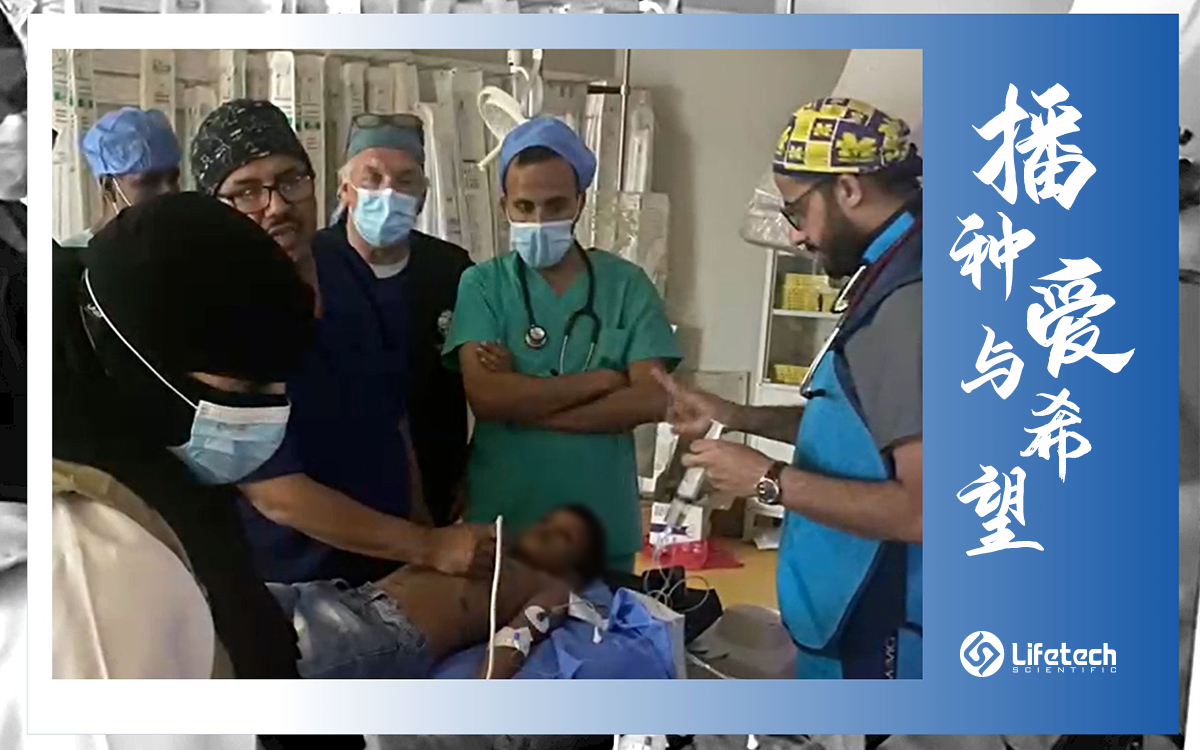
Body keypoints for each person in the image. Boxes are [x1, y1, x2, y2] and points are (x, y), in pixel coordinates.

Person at [659, 98, 923, 679]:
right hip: (845, 626)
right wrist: (739, 416)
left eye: (797, 210)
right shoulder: (888, 279)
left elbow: (926, 510)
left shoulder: (911, 305)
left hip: (883, 638)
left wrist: (768, 480)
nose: (797, 235)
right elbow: (865, 431)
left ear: (848, 189)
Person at [190, 100, 492, 587]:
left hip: (390, 565)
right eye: (247, 192)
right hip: (293, 587)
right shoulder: (214, 321)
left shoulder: (344, 267)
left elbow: (393, 417)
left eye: (290, 180)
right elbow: (275, 492)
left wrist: (422, 535)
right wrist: (428, 547)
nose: (277, 206)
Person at [52, 192, 314, 680]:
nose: (268, 412)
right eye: (246, 389)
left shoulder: (139, 438)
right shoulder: (90, 549)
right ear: (140, 361)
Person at [443, 116, 682, 573]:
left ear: (580, 202)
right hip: (505, 521)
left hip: (599, 525)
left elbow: (652, 399)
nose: (539, 220)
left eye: (555, 205)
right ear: (504, 206)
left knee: (602, 621)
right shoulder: (483, 285)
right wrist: (603, 380)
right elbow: (488, 398)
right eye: (524, 206)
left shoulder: (626, 285)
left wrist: (525, 403)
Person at [317, 112, 472, 528]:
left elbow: (479, 380)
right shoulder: (314, 266)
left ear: (423, 194)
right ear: (344, 189)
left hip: (438, 489)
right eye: (372, 178)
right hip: (336, 497)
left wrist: (472, 468)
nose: (389, 192)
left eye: (405, 181)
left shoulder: (452, 271)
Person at [268, 504, 607, 680]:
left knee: (261, 666)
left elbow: (518, 636)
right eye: (548, 523)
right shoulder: (494, 542)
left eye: (565, 536)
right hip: (344, 597)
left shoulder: (552, 585)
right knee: (242, 603)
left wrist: (486, 687)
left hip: (387, 634)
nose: (545, 532)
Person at [63, 107, 182, 247]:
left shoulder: (181, 248)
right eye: (150, 181)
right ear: (109, 187)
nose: (169, 190)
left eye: (173, 179)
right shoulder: (72, 256)